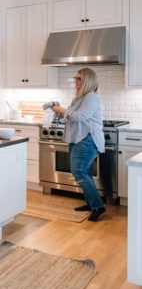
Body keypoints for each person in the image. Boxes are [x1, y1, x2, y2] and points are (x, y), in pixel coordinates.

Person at [52, 68, 106, 221]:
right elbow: (71, 117)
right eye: (75, 78)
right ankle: (91, 203)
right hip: (78, 139)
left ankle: (98, 206)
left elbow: (80, 117)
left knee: (79, 172)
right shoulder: (79, 98)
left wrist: (62, 110)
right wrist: (60, 113)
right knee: (84, 172)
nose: (75, 81)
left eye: (78, 79)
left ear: (87, 81)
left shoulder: (92, 97)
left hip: (87, 140)